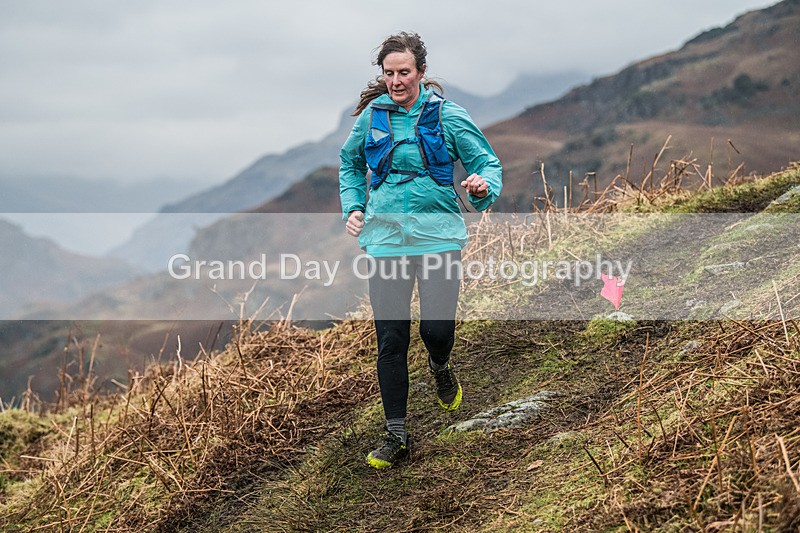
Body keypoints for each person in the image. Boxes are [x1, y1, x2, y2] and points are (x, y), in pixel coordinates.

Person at [339, 31, 502, 469]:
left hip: (438, 237)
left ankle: (441, 365)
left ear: (421, 73)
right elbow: (350, 164)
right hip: (386, 240)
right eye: (388, 73)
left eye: (403, 73)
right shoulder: (373, 117)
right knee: (391, 340)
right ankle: (396, 435)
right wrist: (353, 207)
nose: (395, 81)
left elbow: (486, 163)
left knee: (435, 330)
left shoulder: (449, 117)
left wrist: (482, 186)